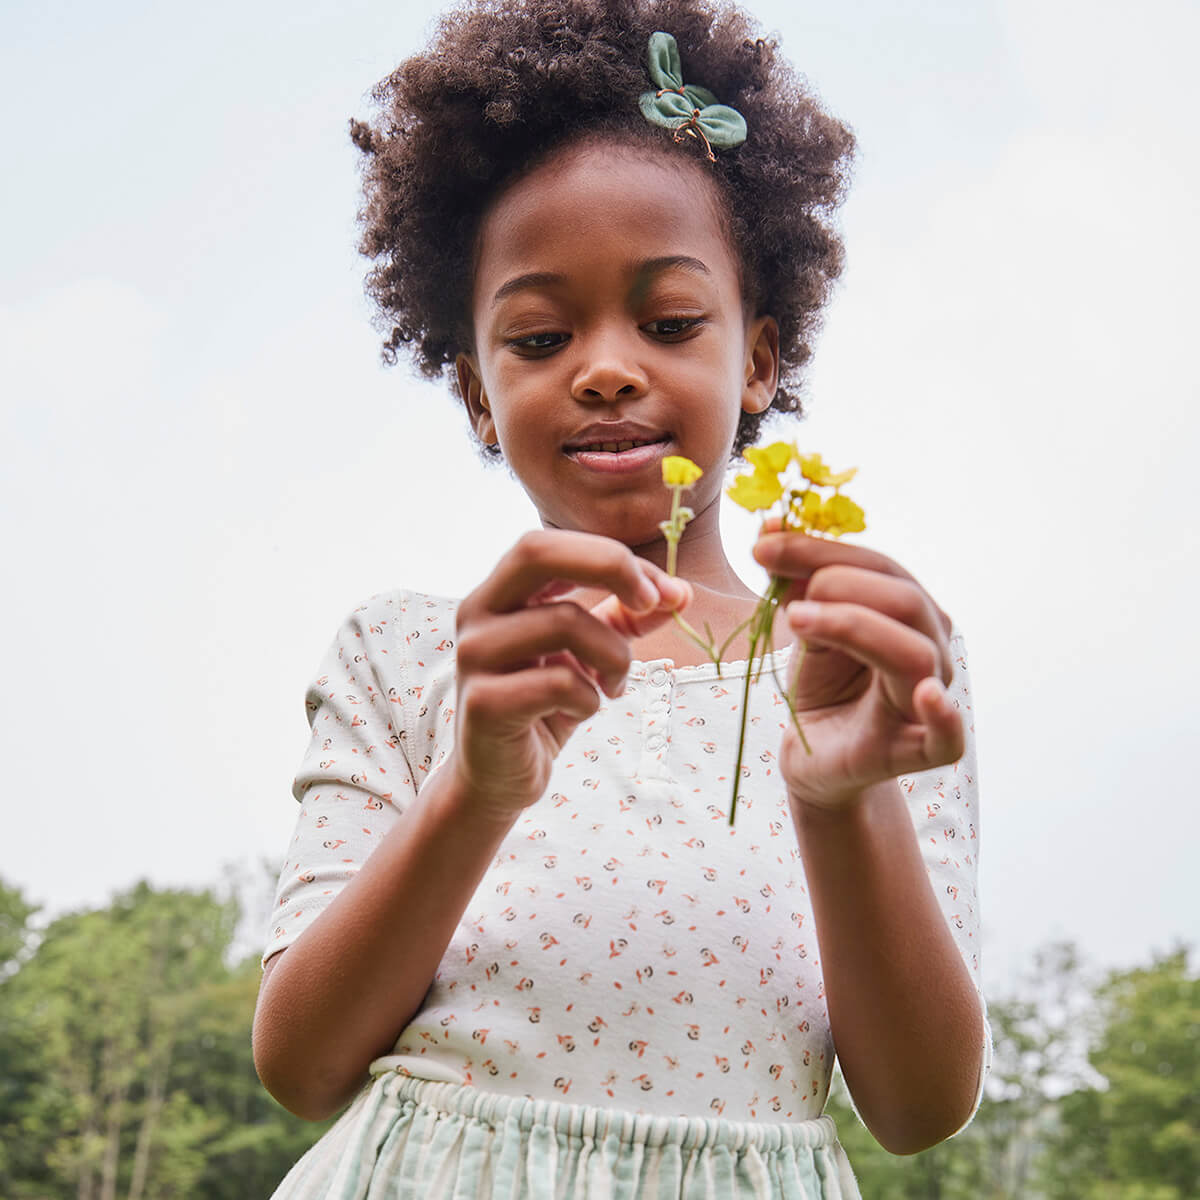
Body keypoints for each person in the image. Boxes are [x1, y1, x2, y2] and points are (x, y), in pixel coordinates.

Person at [252, 1, 990, 1195]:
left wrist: (841, 798)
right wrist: (474, 790)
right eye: (540, 339)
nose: (604, 366)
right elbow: (300, 1065)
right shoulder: (409, 654)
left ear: (756, 361)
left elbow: (916, 1107)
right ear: (479, 396)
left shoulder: (863, 660)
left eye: (671, 321)